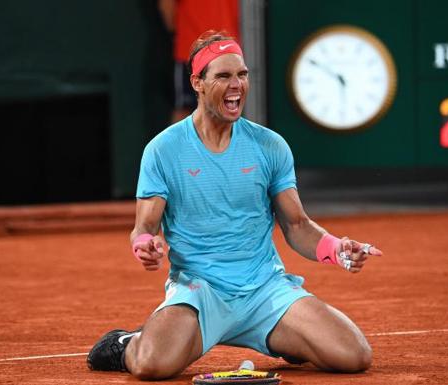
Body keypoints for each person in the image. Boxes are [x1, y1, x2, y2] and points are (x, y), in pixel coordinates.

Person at [86, 30, 383, 380]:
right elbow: (145, 226)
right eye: (224, 76)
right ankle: (129, 342)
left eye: (242, 74)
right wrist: (144, 245)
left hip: (265, 291)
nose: (237, 85)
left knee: (354, 355)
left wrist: (336, 247)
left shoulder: (269, 146)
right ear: (197, 82)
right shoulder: (163, 149)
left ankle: (286, 339)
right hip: (199, 293)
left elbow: (297, 226)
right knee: (152, 365)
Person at [158, 0, 240, 123]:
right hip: (194, 50)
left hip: (223, 51)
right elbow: (166, 6)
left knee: (227, 110)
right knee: (185, 111)